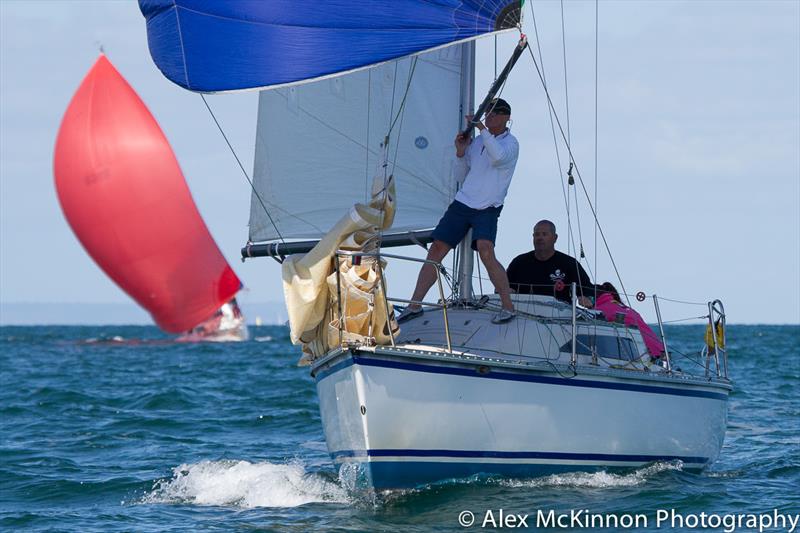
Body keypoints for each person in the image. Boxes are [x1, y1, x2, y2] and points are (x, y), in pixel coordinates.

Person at [398, 98, 519, 324]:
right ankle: (414, 305)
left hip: (488, 207)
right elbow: (462, 176)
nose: (489, 117)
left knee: (485, 251)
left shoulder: (511, 144)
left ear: (505, 117)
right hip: (463, 203)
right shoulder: (478, 143)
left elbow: (499, 157)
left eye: (493, 114)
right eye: (487, 114)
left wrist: (481, 129)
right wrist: (461, 153)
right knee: (436, 250)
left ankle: (508, 306)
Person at [506, 220, 594, 306]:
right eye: (537, 234)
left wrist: (586, 298)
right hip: (523, 315)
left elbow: (587, 290)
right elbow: (502, 287)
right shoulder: (519, 262)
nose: (540, 238)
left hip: (558, 316)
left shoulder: (569, 263)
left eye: (544, 234)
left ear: (555, 238)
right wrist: (507, 290)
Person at [594, 282, 665, 358]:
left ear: (590, 297)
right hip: (661, 351)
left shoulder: (599, 310)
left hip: (645, 354)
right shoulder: (622, 307)